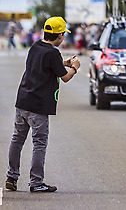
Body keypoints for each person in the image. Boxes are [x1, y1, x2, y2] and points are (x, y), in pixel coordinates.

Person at [5, 17, 80, 193]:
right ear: (60, 36)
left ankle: (11, 177)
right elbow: (65, 77)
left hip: (22, 101)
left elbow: (46, 64)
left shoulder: (35, 46)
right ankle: (36, 182)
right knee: (39, 143)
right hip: (38, 107)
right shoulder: (53, 53)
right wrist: (74, 67)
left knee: (17, 139)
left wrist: (64, 63)